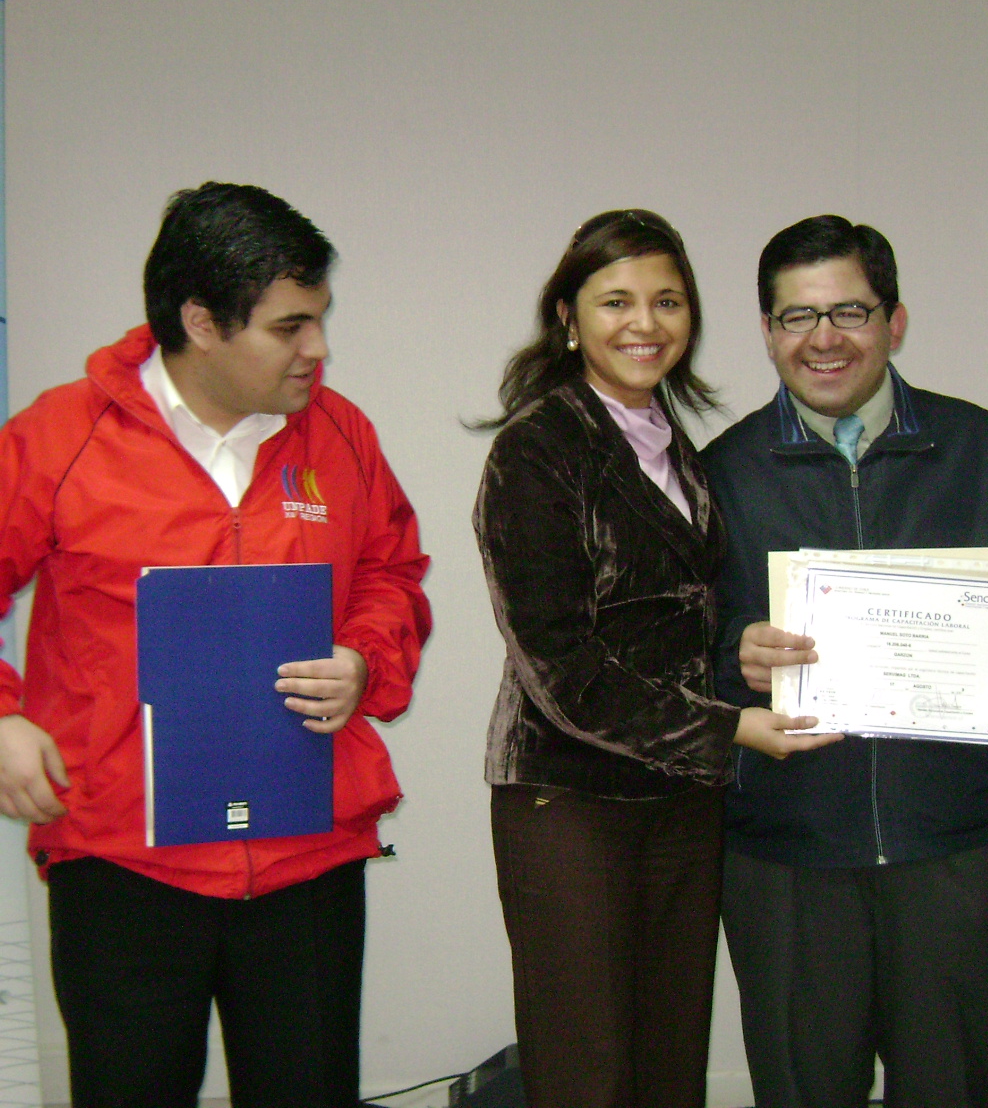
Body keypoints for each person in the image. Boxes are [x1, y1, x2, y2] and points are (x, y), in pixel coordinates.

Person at [0, 182, 431, 1107]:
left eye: (318, 319)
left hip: (305, 857)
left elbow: (391, 574)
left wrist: (362, 659)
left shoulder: (341, 434)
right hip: (124, 866)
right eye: (289, 327)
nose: (318, 347)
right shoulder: (58, 438)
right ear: (200, 320)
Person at [702, 214, 988, 1108]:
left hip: (954, 848)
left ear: (895, 321)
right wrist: (734, 657)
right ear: (766, 332)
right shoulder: (718, 475)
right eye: (797, 317)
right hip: (788, 859)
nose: (824, 339)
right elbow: (680, 641)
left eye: (850, 312)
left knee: (955, 1088)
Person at [474, 209, 837, 1108]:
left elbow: (684, 621)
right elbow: (563, 673)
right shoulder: (537, 450)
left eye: (668, 301)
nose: (646, 323)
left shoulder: (678, 447)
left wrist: (741, 652)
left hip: (680, 800)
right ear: (567, 316)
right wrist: (732, 727)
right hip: (570, 800)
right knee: (586, 1071)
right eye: (617, 301)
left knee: (671, 1059)